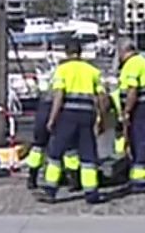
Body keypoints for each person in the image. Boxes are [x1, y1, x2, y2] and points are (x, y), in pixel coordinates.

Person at [35, 37, 108, 205]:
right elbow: (102, 98)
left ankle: (50, 190)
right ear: (80, 52)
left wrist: (52, 119)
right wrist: (101, 119)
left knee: (55, 153)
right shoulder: (92, 71)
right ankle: (91, 192)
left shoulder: (62, 70)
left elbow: (59, 96)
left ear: (66, 52)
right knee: (88, 155)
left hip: (67, 116)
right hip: (87, 116)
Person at [116, 38, 145, 192]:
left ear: (124, 51)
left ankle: (140, 181)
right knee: (142, 140)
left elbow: (132, 90)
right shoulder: (143, 61)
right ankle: (140, 176)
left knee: (139, 141)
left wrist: (126, 111)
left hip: (140, 107)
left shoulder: (132, 65)